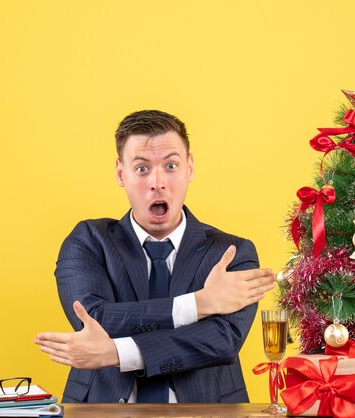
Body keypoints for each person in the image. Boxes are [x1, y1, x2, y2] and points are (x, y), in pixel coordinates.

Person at [34, 110, 275, 403]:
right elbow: (97, 319)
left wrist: (117, 353)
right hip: (101, 407)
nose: (157, 182)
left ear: (190, 168)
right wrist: (199, 305)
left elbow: (221, 342)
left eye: (171, 165)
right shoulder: (88, 241)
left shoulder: (232, 253)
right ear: (121, 173)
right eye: (142, 169)